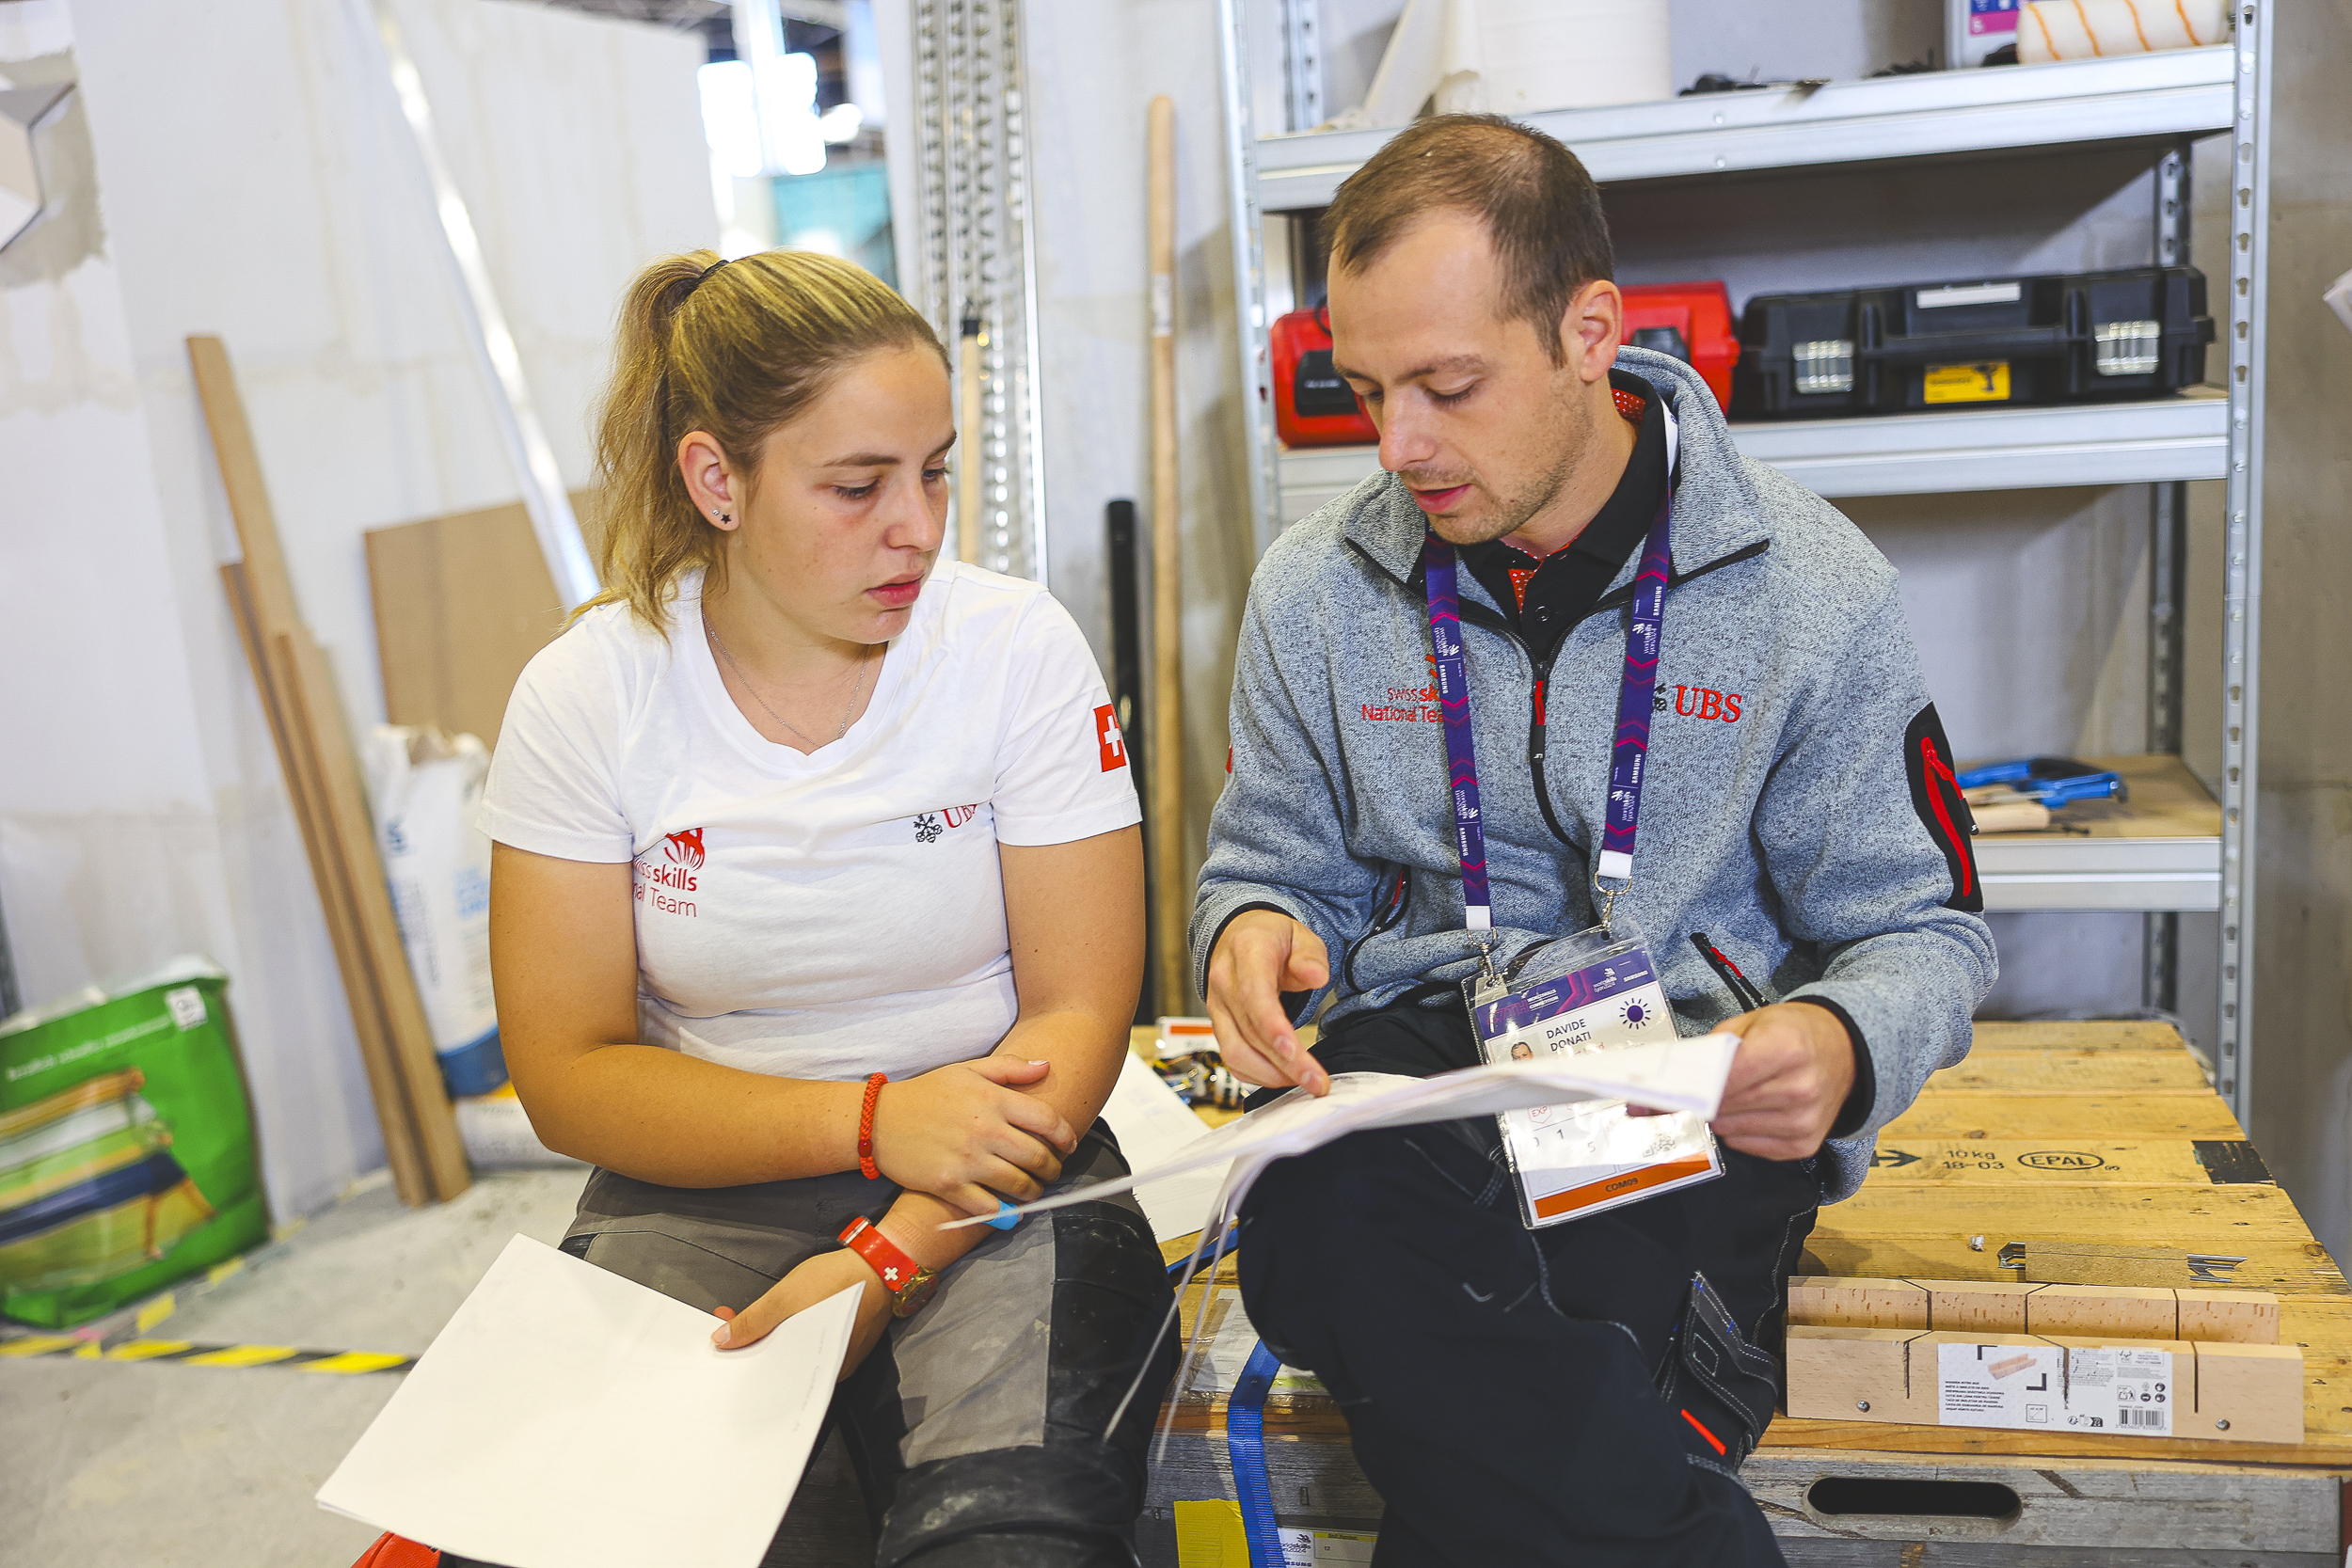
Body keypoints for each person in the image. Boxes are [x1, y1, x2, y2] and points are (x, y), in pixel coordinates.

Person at [1194, 117, 1997, 1565]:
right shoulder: (1313, 591)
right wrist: (1251, 931)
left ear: (1589, 331)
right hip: (1421, 1081)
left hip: (1680, 1098)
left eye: (1448, 386)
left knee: (1529, 1327)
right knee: (1309, 1199)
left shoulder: (1811, 589)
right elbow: (1266, 866)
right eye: (1366, 389)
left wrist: (1844, 1038)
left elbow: (1925, 927)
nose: (1398, 448)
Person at [483, 248, 1174, 1568]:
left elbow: (1083, 1009)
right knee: (676, 1535)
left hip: (998, 1167)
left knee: (1010, 1538)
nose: (916, 525)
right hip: (698, 1180)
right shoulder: (589, 696)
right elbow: (568, 1076)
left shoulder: (1013, 651)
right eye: (858, 486)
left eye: (935, 470)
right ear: (715, 482)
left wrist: (888, 1260)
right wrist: (865, 1119)